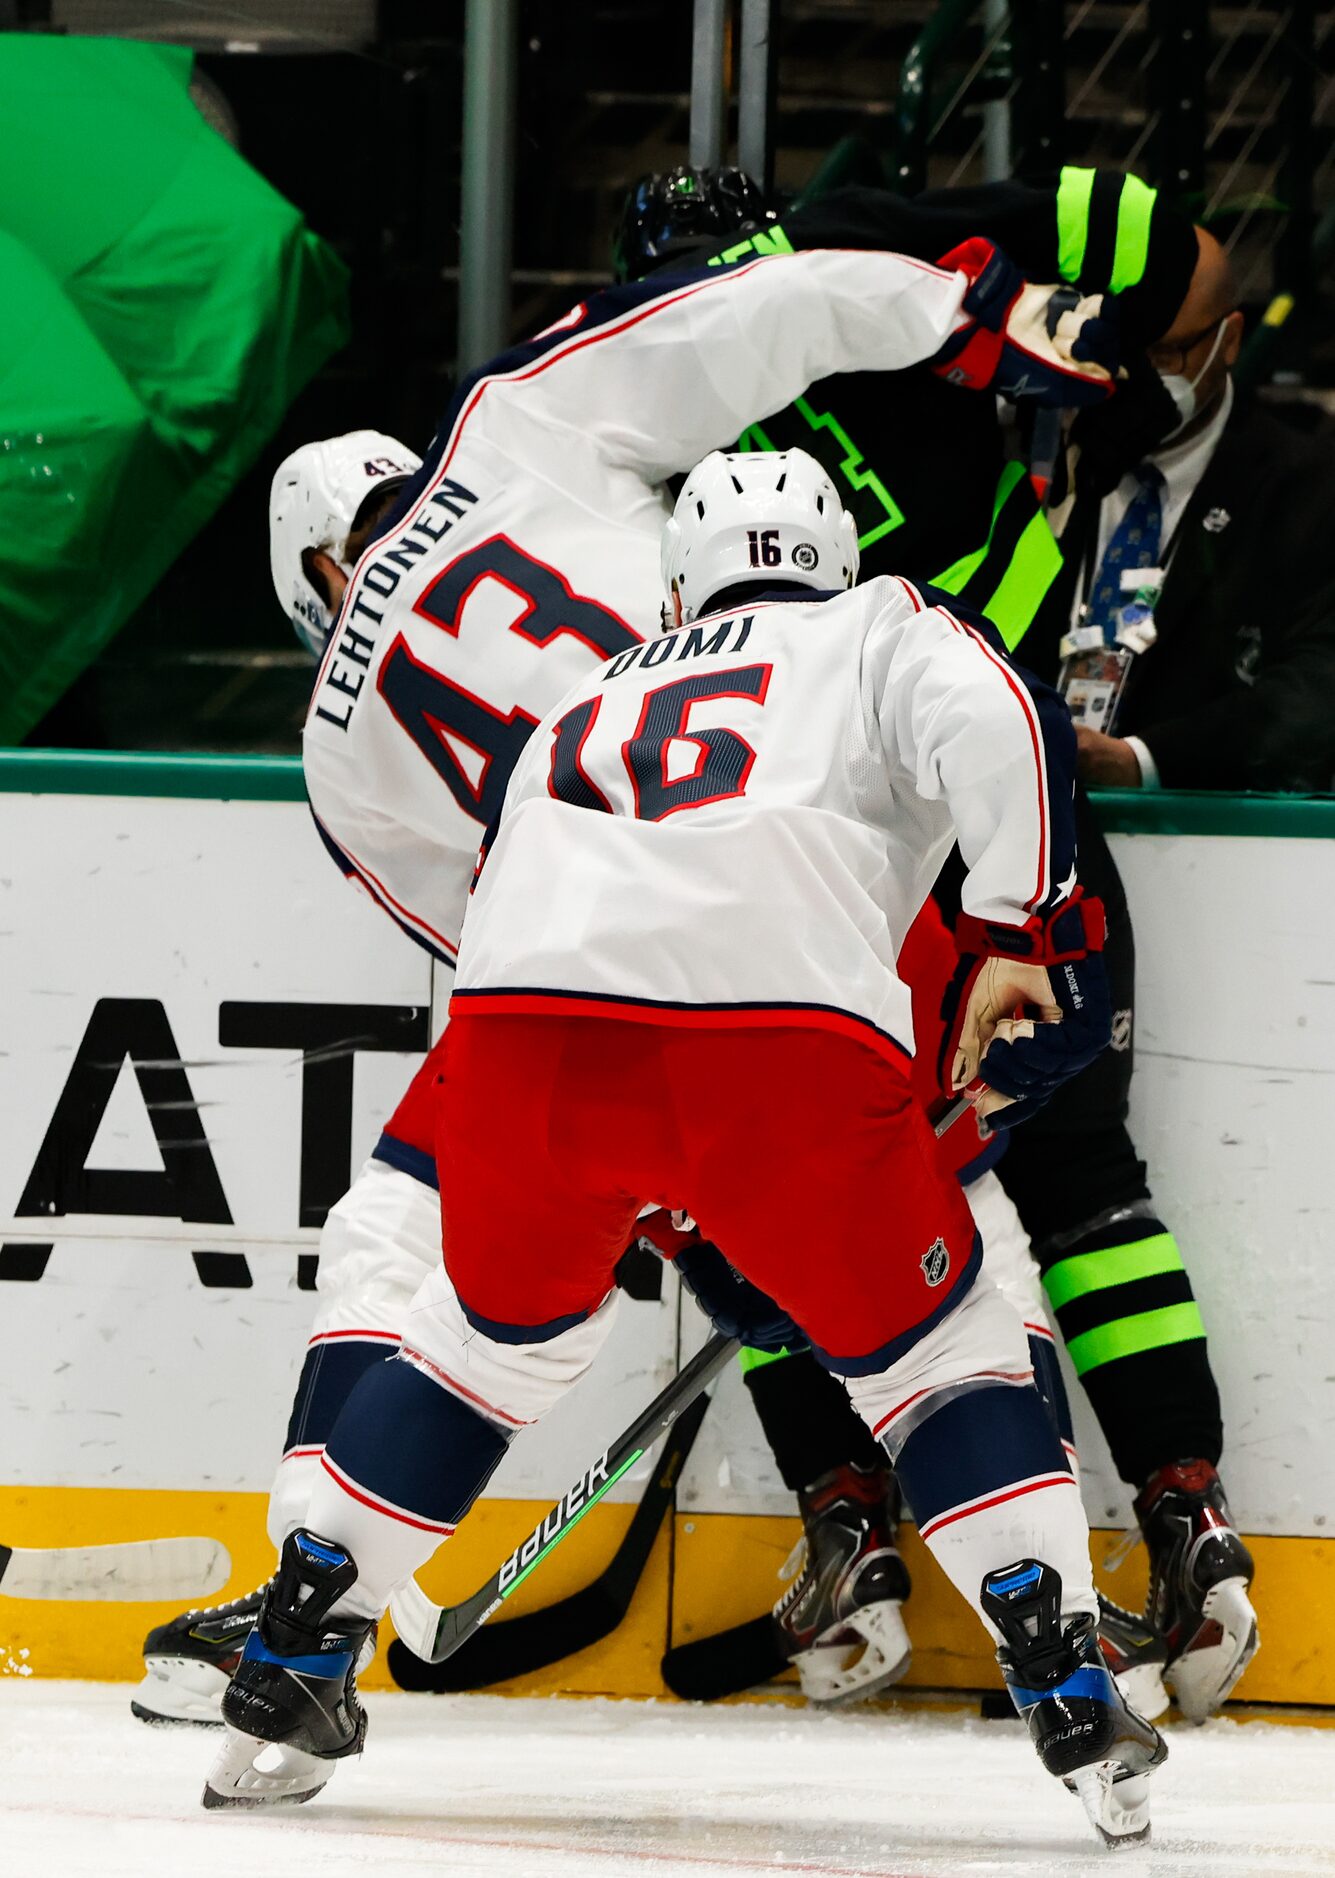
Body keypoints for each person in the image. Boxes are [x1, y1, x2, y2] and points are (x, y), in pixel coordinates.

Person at [133, 234, 1114, 1725]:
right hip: (855, 906)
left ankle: (303, 1595)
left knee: (401, 1226)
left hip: (578, 969)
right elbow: (746, 314)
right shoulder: (506, 430)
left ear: (324, 570)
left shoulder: (335, 754)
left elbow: (485, 942)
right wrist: (954, 314)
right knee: (943, 1245)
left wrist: (632, 1156)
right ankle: (1065, 1598)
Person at [615, 163, 1261, 1722]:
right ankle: (1189, 1524)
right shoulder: (864, 241)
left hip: (811, 846)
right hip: (1002, 782)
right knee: (1084, 1186)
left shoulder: (630, 410)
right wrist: (1131, 347)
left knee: (765, 1194)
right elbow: (1183, 254)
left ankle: (855, 1529)